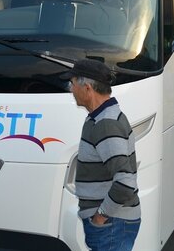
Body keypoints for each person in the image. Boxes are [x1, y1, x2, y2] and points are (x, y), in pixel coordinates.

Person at [60, 59, 141, 251]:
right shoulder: (102, 117)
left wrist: (100, 216)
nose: (70, 89)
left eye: (72, 83)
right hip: (112, 224)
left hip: (112, 224)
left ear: (87, 88)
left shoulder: (106, 123)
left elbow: (125, 182)